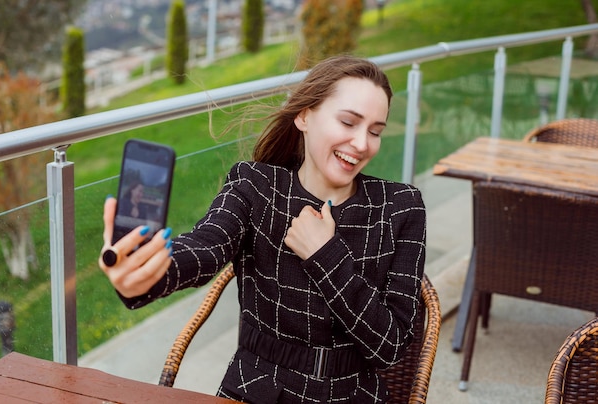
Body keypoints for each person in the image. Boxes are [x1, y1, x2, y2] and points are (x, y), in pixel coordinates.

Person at [98, 55, 426, 403]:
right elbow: (207, 246)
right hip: (257, 390)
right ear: (304, 116)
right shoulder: (254, 185)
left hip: (354, 395)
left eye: (375, 131)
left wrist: (325, 254)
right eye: (348, 122)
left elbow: (391, 347)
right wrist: (149, 268)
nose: (362, 144)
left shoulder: (402, 206)